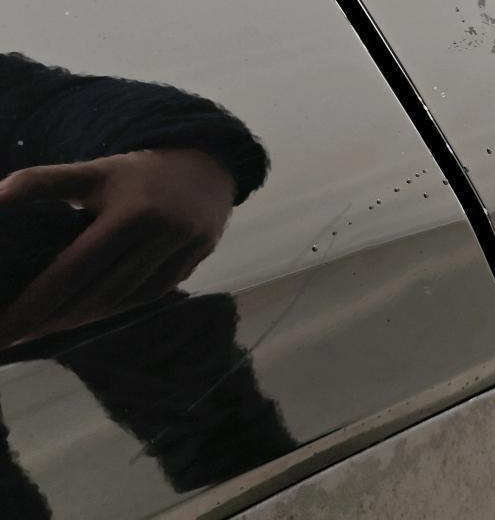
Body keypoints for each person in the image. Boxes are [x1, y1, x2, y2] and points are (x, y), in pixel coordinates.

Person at [0, 52, 295, 518]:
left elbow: (47, 102)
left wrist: (183, 150)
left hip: (103, 304)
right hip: (110, 311)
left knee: (245, 461)